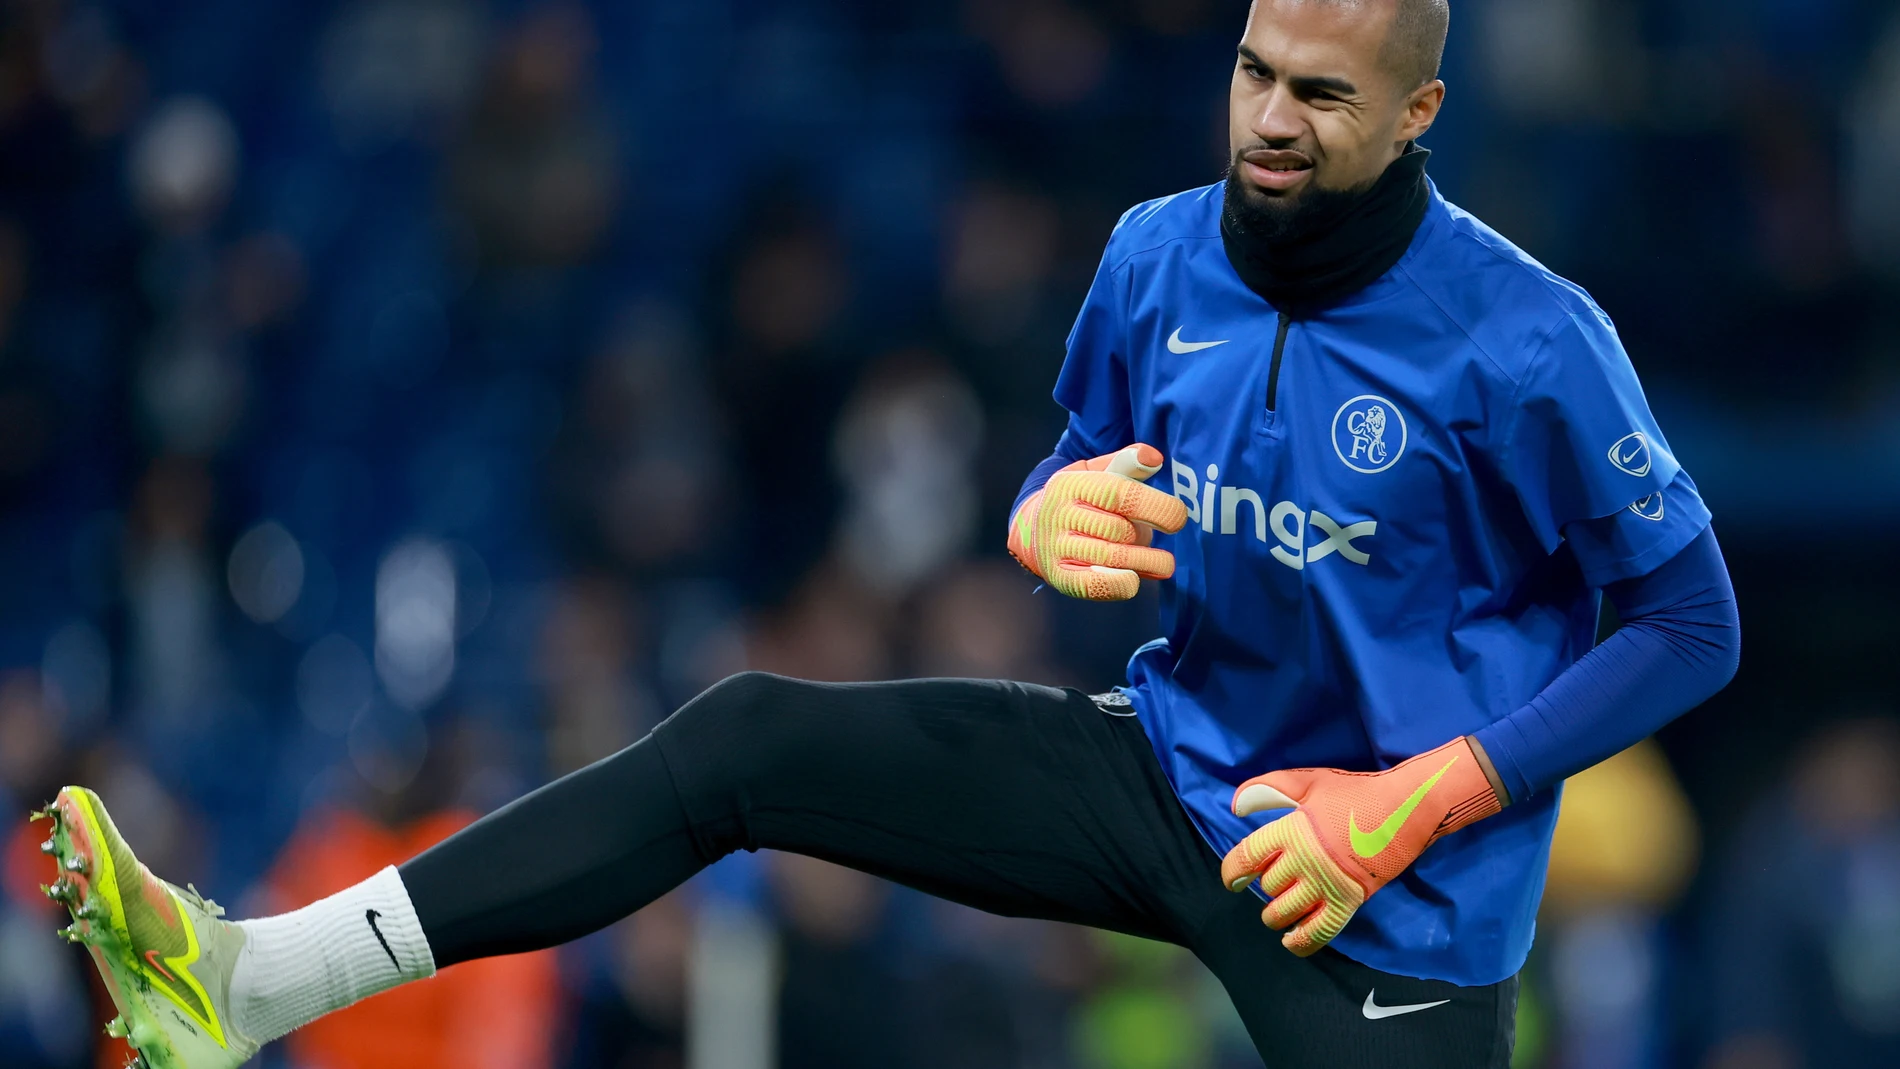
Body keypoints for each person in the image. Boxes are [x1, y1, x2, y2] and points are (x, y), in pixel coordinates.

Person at [29, 2, 1741, 1067]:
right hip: (1170, 771)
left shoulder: (1528, 341)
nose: (1273, 120)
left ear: (1419, 115)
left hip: (1388, 895)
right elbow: (1077, 454)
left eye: (1324, 95)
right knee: (748, 739)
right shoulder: (1159, 254)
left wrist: (1418, 795)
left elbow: (1690, 623)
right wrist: (1038, 508)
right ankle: (248, 982)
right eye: (1251, 71)